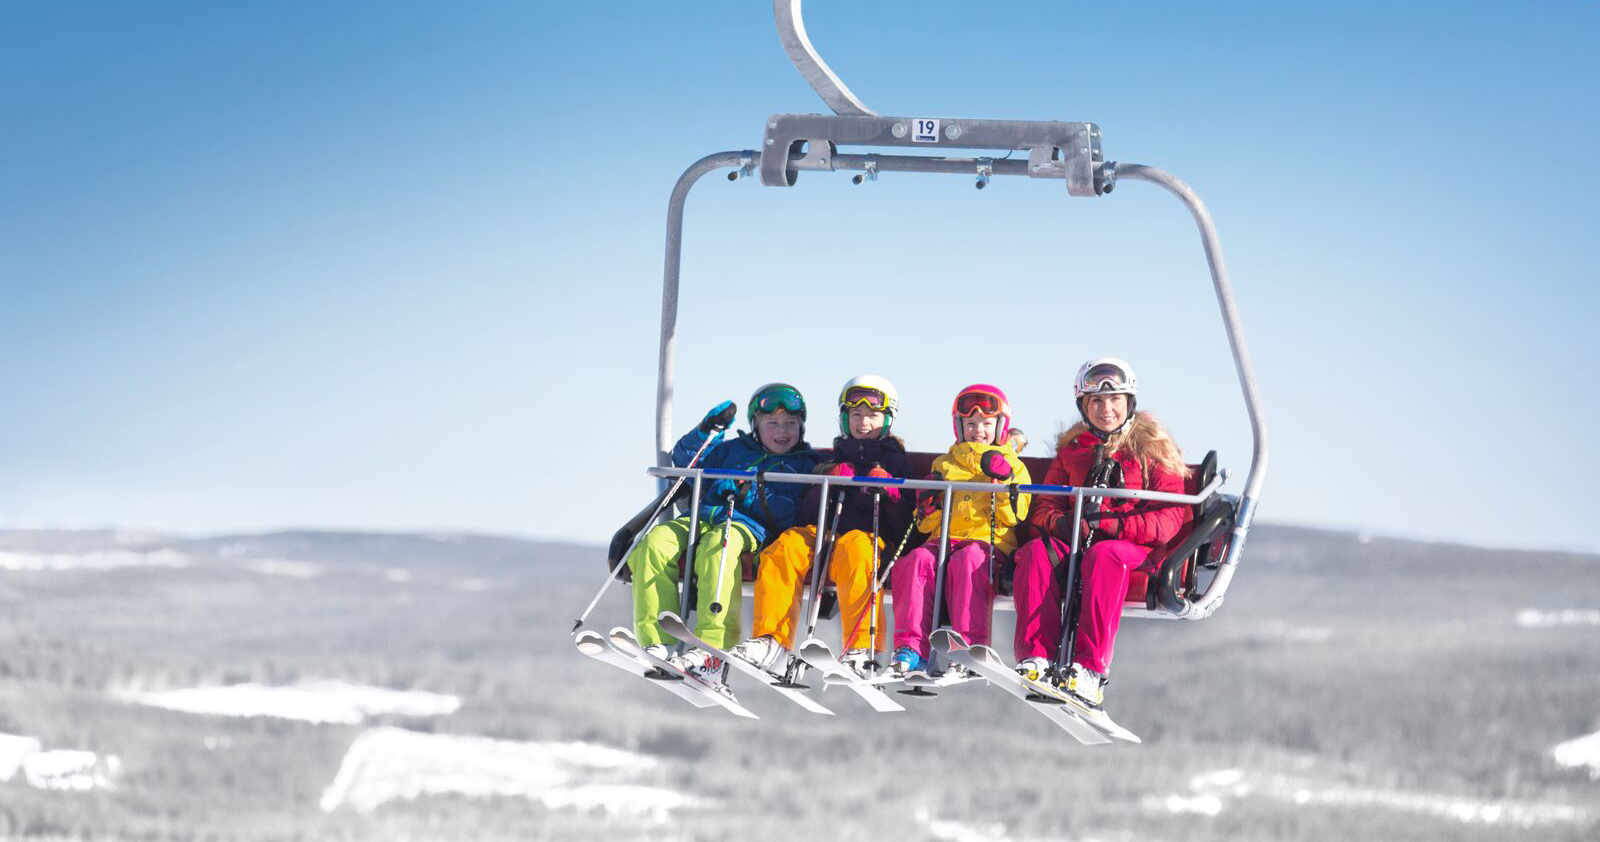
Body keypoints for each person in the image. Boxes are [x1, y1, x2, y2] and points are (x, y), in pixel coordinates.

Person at [1009, 358, 1191, 710]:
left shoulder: (1152, 448)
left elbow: (1169, 517)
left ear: (1129, 402)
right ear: (1084, 406)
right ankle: (1036, 658)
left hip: (1132, 551)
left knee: (1105, 555)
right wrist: (1062, 524)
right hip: (1079, 544)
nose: (1106, 409)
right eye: (1096, 401)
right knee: (1037, 552)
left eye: (1114, 400)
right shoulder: (1074, 450)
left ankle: (1089, 670)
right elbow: (1045, 506)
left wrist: (1114, 525)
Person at [625, 383, 820, 696]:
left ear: (801, 426)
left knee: (719, 547)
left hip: (749, 527)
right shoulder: (731, 450)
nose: (782, 431)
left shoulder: (804, 464)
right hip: (701, 517)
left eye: (790, 423)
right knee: (654, 543)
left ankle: (713, 648)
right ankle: (658, 641)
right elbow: (687, 461)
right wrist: (707, 431)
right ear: (756, 425)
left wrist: (751, 492)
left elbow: (790, 510)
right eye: (772, 422)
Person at [732, 376, 914, 677]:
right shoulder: (830, 458)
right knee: (786, 547)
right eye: (856, 414)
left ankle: (861, 649)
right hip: (824, 536)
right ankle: (771, 641)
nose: (863, 423)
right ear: (844, 418)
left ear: (887, 419)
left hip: (868, 539)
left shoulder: (896, 463)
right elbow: (806, 514)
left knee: (857, 548)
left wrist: (891, 493)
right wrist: (826, 482)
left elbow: (906, 527)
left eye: (872, 415)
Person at [889, 384, 1031, 674]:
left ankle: (969, 647)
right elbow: (924, 524)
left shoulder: (1013, 466)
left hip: (986, 543)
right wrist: (930, 504)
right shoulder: (944, 464)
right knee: (916, 561)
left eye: (986, 424)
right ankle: (911, 648)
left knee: (969, 562)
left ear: (999, 427)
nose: (978, 430)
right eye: (971, 424)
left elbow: (1015, 516)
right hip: (943, 541)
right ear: (959, 426)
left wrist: (1004, 480)